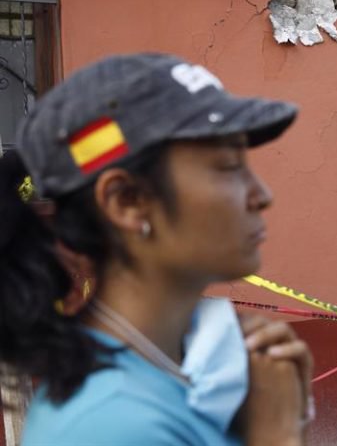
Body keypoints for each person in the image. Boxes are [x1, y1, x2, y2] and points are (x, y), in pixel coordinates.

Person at [0, 53, 313, 445]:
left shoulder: (186, 378)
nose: (262, 195)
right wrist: (279, 435)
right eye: (229, 165)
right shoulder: (110, 427)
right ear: (126, 201)